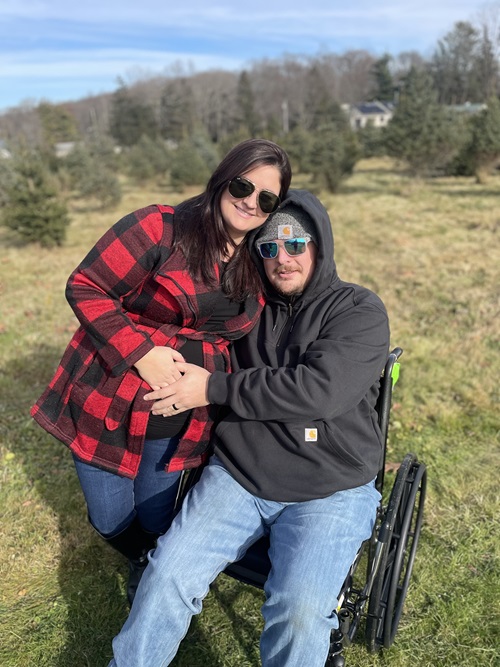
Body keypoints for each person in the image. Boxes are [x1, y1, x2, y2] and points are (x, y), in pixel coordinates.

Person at [107, 189, 391, 666]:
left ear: (319, 244)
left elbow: (319, 391)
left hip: (330, 487)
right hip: (241, 476)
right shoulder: (244, 310)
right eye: (268, 247)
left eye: (296, 244)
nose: (283, 258)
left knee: (299, 608)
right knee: (167, 575)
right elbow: (175, 312)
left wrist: (215, 388)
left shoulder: (358, 310)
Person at [30, 139, 292, 605]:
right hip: (110, 398)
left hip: (185, 419)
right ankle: (149, 560)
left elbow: (293, 294)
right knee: (109, 516)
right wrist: (141, 352)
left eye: (266, 199)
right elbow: (86, 285)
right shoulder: (161, 228)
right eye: (242, 185)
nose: (251, 202)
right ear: (222, 180)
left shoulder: (258, 260)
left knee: (157, 515)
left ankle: (150, 568)